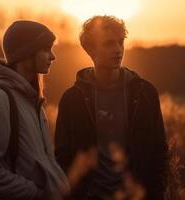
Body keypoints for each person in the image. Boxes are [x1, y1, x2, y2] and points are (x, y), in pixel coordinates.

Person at [54, 15, 168, 200]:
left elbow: (159, 152)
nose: (118, 50)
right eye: (108, 44)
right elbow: (62, 157)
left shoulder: (145, 93)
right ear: (91, 50)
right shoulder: (72, 99)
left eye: (120, 42)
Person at [0, 20, 70, 200]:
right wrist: (34, 193)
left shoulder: (32, 102)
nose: (53, 56)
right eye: (46, 49)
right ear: (26, 53)